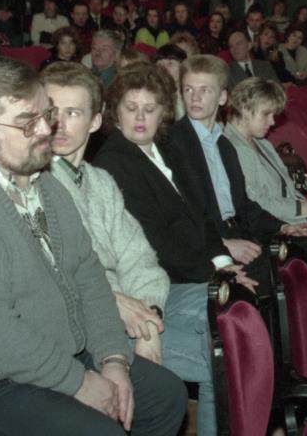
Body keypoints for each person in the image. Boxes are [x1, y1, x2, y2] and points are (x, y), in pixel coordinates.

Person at [0, 56, 187, 436]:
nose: (45, 130)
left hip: (52, 353)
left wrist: (113, 358)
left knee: (166, 396)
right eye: (26, 123)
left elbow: (88, 276)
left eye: (44, 115)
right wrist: (77, 382)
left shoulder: (41, 182)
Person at [94, 62, 249, 436]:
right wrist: (216, 274)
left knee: (240, 314)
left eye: (150, 109)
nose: (140, 118)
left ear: (163, 112)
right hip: (159, 282)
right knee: (225, 343)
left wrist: (223, 261)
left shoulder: (165, 148)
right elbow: (157, 244)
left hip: (190, 272)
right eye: (131, 108)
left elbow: (202, 214)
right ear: (115, 113)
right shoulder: (114, 162)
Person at [42, 62, 171, 367]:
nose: (58, 124)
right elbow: (59, 274)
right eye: (51, 112)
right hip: (88, 321)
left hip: (136, 306)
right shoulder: (34, 183)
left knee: (227, 322)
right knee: (219, 348)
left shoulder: (101, 181)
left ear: (95, 121)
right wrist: (119, 305)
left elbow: (138, 257)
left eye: (73, 113)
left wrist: (148, 316)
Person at [163, 55, 307, 297]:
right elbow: (184, 215)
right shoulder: (173, 144)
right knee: (280, 274)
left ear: (222, 97)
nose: (195, 97)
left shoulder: (223, 145)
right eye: (188, 89)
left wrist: (283, 226)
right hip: (211, 242)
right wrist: (223, 245)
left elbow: (245, 205)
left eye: (205, 90)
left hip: (239, 232)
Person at [225, 77, 307, 222]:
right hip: (272, 226)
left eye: (273, 115)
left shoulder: (262, 142)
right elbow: (254, 202)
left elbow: (287, 188)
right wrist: (301, 208)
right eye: (266, 114)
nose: (272, 122)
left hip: (287, 219)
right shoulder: (233, 148)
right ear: (245, 109)